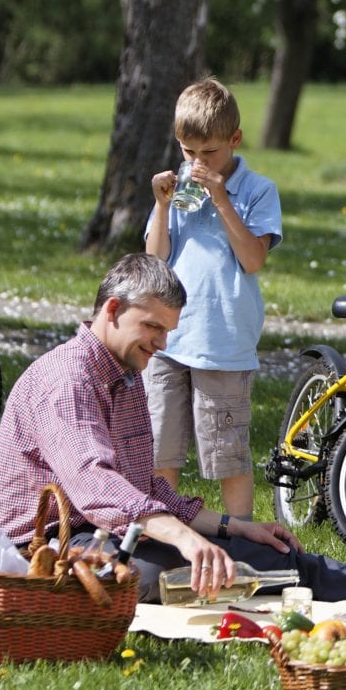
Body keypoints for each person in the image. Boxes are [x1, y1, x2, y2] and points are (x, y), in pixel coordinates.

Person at [0, 254, 346, 604]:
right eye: (153, 327)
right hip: (51, 551)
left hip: (103, 533)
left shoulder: (126, 372)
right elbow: (96, 488)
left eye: (168, 331)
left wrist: (232, 525)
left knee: (251, 553)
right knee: (229, 566)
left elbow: (144, 489)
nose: (162, 344)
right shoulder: (67, 381)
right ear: (113, 309)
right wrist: (186, 539)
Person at [144, 77, 281, 521]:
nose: (198, 163)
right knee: (160, 449)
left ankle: (245, 540)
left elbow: (253, 259)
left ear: (235, 140)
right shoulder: (179, 187)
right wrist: (162, 206)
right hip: (169, 340)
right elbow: (156, 258)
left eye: (210, 153)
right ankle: (161, 537)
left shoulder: (257, 189)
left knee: (228, 456)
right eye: (189, 153)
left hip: (222, 343)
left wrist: (221, 198)